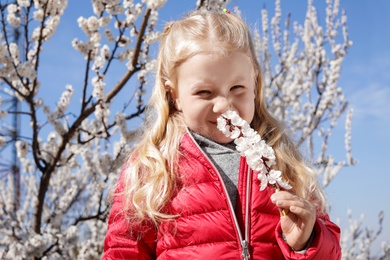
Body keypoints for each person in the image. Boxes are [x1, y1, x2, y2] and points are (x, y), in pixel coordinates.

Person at [103, 10, 341, 260]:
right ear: (174, 95)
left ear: (254, 85)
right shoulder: (152, 168)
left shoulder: (283, 163)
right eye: (205, 92)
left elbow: (330, 252)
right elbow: (123, 251)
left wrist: (307, 241)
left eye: (237, 88)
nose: (224, 105)